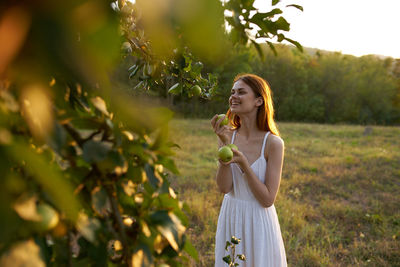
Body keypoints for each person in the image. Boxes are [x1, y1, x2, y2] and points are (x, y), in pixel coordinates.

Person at [211, 73, 287, 267]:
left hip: (259, 222)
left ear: (258, 101)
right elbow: (224, 187)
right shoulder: (228, 136)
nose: (233, 96)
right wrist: (224, 147)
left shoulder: (273, 143)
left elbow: (268, 199)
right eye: (232, 92)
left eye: (241, 92)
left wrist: (244, 164)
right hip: (231, 215)